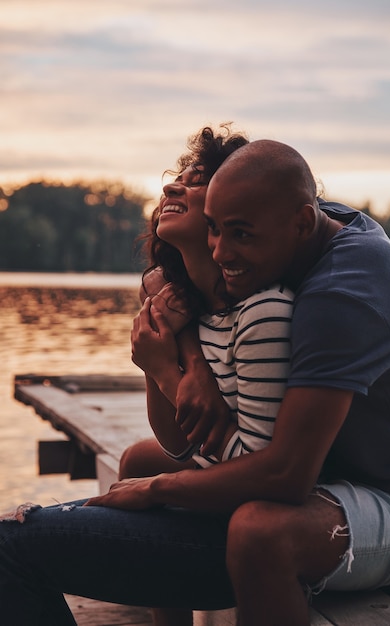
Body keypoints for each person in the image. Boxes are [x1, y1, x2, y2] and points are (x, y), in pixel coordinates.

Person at [0, 138, 390, 626]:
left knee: (259, 530)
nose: (222, 250)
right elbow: (180, 268)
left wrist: (159, 490)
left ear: (303, 223)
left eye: (239, 235)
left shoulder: (342, 294)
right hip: (337, 468)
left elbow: (285, 475)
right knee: (137, 458)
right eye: (216, 230)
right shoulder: (307, 222)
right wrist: (188, 360)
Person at [121, 126, 293, 625]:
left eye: (196, 183)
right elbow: (176, 444)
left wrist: (162, 369)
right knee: (138, 459)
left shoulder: (262, 312)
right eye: (178, 179)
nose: (172, 188)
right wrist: (166, 356)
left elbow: (257, 467)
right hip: (230, 469)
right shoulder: (189, 305)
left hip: (268, 492)